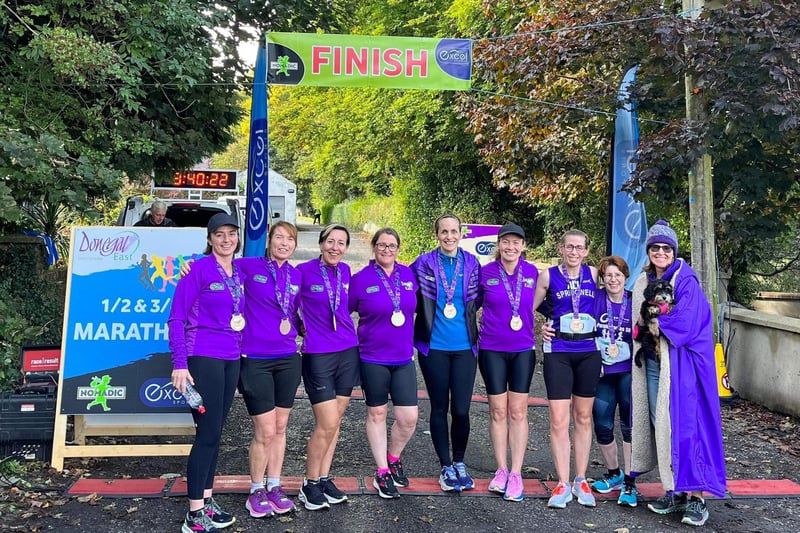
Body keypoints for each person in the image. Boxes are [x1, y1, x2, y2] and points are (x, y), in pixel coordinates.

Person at [630, 220, 726, 527]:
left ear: (674, 251)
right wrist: (641, 328)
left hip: (685, 366)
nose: (660, 252)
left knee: (688, 425)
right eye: (655, 247)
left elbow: (689, 321)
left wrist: (657, 324)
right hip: (656, 363)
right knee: (662, 425)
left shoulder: (686, 280)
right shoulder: (645, 278)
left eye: (666, 248)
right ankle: (675, 490)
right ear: (649, 250)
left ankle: (697, 499)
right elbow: (639, 320)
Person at [169, 213, 243, 533]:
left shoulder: (240, 271)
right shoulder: (197, 269)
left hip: (231, 359)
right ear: (210, 239)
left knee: (215, 433)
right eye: (219, 235)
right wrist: (180, 363)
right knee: (207, 434)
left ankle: (207, 502)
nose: (226, 240)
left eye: (231, 234)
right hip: (203, 358)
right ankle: (194, 514)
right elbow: (176, 319)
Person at [411, 214, 481, 492]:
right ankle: (445, 466)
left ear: (461, 233)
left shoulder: (473, 264)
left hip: (466, 348)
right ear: (436, 234)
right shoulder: (423, 263)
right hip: (434, 348)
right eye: (444, 232)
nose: (449, 236)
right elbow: (403, 291)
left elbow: (486, 298)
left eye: (454, 231)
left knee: (462, 410)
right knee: (439, 407)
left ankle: (460, 463)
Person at [237, 222, 302, 518]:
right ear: (269, 241)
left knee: (280, 428)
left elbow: (294, 314)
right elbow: (216, 266)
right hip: (255, 358)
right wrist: (191, 266)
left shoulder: (296, 275)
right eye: (279, 237)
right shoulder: (248, 266)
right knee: (264, 430)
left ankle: (274, 485)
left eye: (290, 239)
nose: (284, 243)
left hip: (288, 358)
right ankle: (255, 490)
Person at [349, 228, 419, 499]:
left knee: (408, 418)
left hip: (403, 358)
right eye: (381, 245)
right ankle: (381, 471)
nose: (387, 250)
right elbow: (343, 312)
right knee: (377, 414)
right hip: (372, 357)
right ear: (374, 247)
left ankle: (393, 457)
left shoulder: (409, 276)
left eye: (392, 246)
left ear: (398, 249)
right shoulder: (361, 279)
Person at [534, 229, 600, 509]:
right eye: (569, 247)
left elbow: (617, 296)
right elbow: (528, 308)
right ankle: (562, 482)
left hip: (588, 351)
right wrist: (541, 325)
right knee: (559, 420)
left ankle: (581, 479)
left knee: (584, 418)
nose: (573, 252)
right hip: (559, 351)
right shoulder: (548, 275)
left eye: (579, 247)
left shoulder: (595, 274)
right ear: (561, 249)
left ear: (586, 251)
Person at [296, 224, 360, 510]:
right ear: (321, 244)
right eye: (330, 242)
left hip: (347, 350)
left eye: (341, 243)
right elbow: (285, 302)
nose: (335, 247)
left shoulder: (346, 272)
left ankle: (323, 477)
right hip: (318, 354)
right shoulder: (303, 271)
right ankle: (308, 484)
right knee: (327, 422)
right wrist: (300, 328)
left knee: (336, 422)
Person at [477, 224, 539, 502]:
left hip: (523, 350)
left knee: (518, 412)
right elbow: (469, 306)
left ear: (523, 246)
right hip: (491, 349)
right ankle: (501, 469)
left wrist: (549, 327)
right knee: (497, 411)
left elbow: (547, 304)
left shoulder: (534, 273)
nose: (510, 247)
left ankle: (516, 473)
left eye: (516, 242)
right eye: (506, 242)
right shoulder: (485, 273)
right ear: (499, 244)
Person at [588, 256, 637, 506]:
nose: (613, 279)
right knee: (603, 424)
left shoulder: (634, 301)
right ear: (602, 278)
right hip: (603, 372)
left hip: (628, 371)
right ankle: (614, 473)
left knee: (628, 426)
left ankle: (630, 482)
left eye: (618, 275)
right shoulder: (596, 299)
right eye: (608, 275)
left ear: (626, 277)